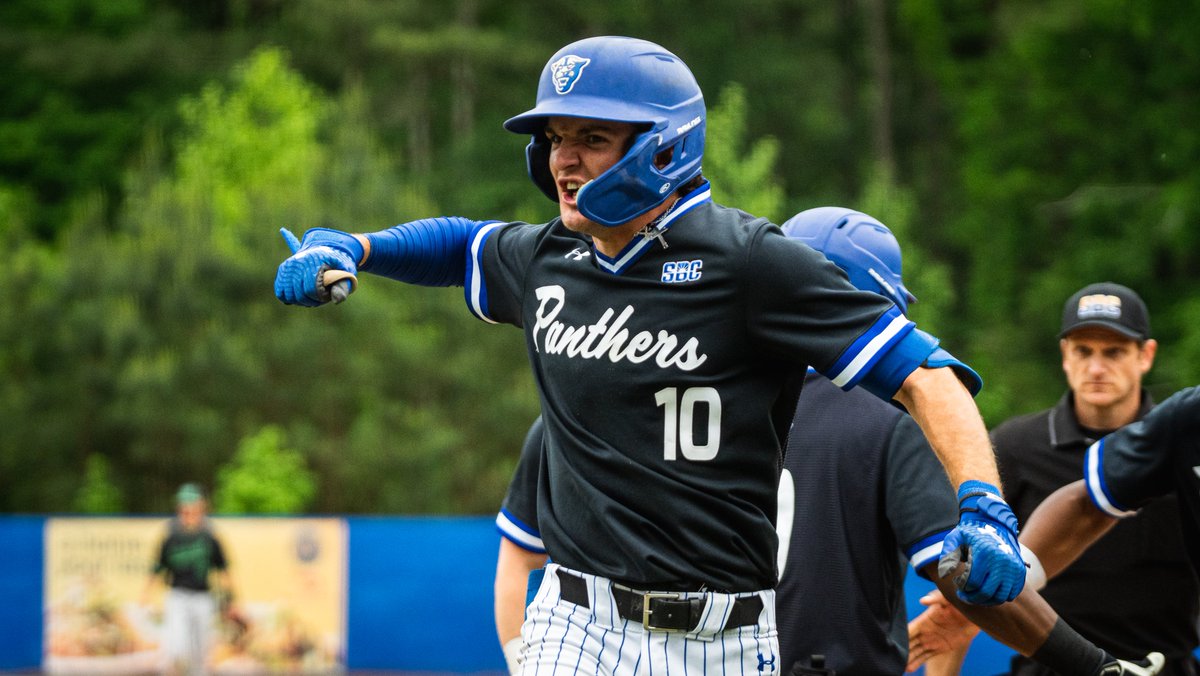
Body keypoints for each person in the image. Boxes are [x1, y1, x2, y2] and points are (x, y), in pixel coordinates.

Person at [275, 36, 1029, 674]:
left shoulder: (752, 263)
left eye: (592, 138)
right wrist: (357, 248)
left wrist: (984, 506)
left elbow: (927, 377)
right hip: (578, 626)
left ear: (666, 144)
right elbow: (460, 243)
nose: (563, 160)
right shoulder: (550, 258)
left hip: (728, 642)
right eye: (554, 138)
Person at [492, 207, 1164, 676]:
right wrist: (1091, 662)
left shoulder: (602, 393)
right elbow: (962, 578)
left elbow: (518, 558)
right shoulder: (884, 422)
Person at [909, 283, 1199, 675]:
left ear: (1145, 355)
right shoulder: (1013, 446)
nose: (1097, 368)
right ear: (1065, 354)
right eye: (1083, 351)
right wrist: (964, 615)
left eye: (1113, 352)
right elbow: (965, 572)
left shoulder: (1175, 440)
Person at [143, 483, 234, 676]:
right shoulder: (171, 536)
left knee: (201, 652)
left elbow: (223, 569)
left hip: (203, 597)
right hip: (178, 596)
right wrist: (145, 594)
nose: (188, 513)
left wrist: (232, 599)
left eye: (193, 508)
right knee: (177, 647)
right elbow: (157, 567)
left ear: (201, 508)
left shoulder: (209, 536)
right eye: (185, 509)